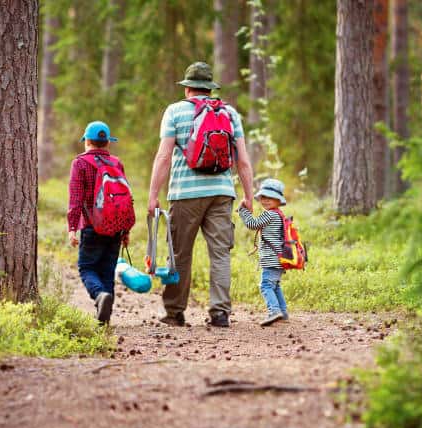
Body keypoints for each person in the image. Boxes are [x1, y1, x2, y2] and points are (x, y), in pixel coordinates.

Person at [147, 62, 255, 328]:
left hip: (184, 194)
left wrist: (153, 195)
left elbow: (164, 157)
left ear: (188, 89)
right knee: (220, 254)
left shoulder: (174, 112)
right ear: (209, 88)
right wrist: (249, 196)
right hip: (221, 192)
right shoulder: (229, 113)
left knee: (180, 254)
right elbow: (243, 161)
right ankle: (220, 313)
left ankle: (174, 313)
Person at [68, 121, 132, 325]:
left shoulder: (80, 163)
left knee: (86, 267)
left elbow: (76, 199)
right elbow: (125, 199)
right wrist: (125, 230)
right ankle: (105, 318)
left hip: (91, 226)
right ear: (108, 143)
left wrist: (72, 228)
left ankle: (98, 296)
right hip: (115, 227)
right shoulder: (116, 163)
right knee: (107, 269)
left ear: (87, 141)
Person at [238, 178, 290, 326]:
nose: (266, 201)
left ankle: (274, 311)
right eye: (263, 197)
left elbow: (252, 224)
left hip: (271, 259)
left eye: (271, 198)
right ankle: (283, 313)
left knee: (266, 285)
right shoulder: (279, 215)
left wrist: (242, 210)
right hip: (279, 259)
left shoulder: (270, 215)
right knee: (275, 285)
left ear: (278, 200)